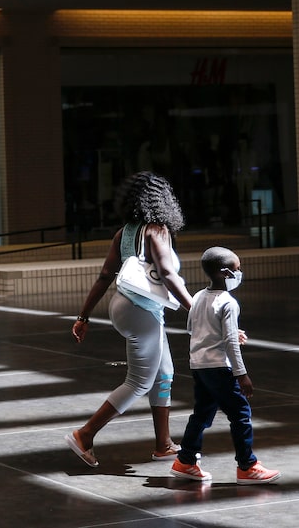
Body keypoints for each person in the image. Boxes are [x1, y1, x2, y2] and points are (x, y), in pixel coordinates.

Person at [67, 171, 192, 467]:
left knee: (164, 374)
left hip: (124, 306)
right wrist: (194, 307)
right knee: (138, 381)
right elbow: (167, 273)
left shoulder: (124, 233)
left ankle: (163, 444)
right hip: (141, 312)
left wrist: (83, 316)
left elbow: (103, 277)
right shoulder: (157, 229)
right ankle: (85, 435)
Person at [170, 247, 281, 484]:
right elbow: (230, 343)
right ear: (225, 273)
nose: (239, 273)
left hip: (198, 365)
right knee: (241, 414)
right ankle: (247, 466)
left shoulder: (198, 296)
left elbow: (193, 327)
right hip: (220, 366)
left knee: (202, 413)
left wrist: (226, 332)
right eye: (237, 269)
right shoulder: (228, 302)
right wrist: (241, 374)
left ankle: (185, 460)